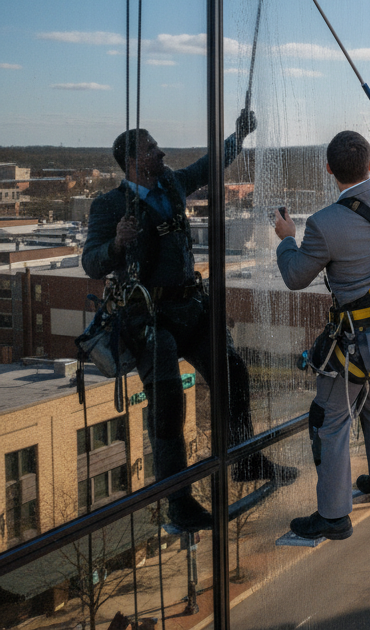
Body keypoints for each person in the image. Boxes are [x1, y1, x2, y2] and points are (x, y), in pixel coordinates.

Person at [83, 112, 294, 532]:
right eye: (150, 148)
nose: (160, 151)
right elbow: (91, 263)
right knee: (168, 408)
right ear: (131, 161)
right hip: (150, 320)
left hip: (189, 310)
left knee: (232, 371)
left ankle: (245, 459)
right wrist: (116, 245)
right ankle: (178, 503)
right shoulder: (109, 206)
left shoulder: (171, 184)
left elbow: (210, 166)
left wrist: (240, 135)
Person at [274, 105, 370, 541]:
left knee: (331, 420)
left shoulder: (324, 223)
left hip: (354, 345)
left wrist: (286, 240)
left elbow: (296, 277)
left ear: (329, 170)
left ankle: (334, 516)